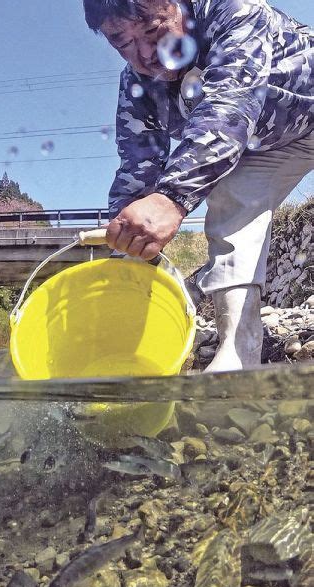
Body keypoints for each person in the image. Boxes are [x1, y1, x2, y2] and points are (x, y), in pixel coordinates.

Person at [83, 0, 314, 372]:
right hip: (270, 144)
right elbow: (137, 169)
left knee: (204, 134)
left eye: (154, 31)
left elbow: (230, 106)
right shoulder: (136, 85)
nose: (144, 55)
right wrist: (125, 250)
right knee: (231, 197)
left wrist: (172, 198)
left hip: (294, 113)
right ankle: (240, 350)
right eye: (122, 43)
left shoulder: (236, 11)